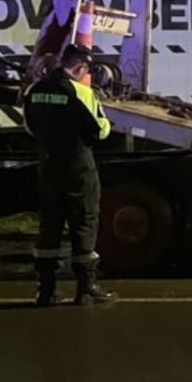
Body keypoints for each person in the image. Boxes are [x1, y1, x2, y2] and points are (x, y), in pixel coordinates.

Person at [23, 44, 117, 306]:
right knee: (84, 223)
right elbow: (100, 131)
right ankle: (86, 289)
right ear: (80, 67)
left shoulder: (35, 90)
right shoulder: (82, 93)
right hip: (78, 166)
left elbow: (29, 127)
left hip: (49, 166)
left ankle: (46, 291)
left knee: (49, 226)